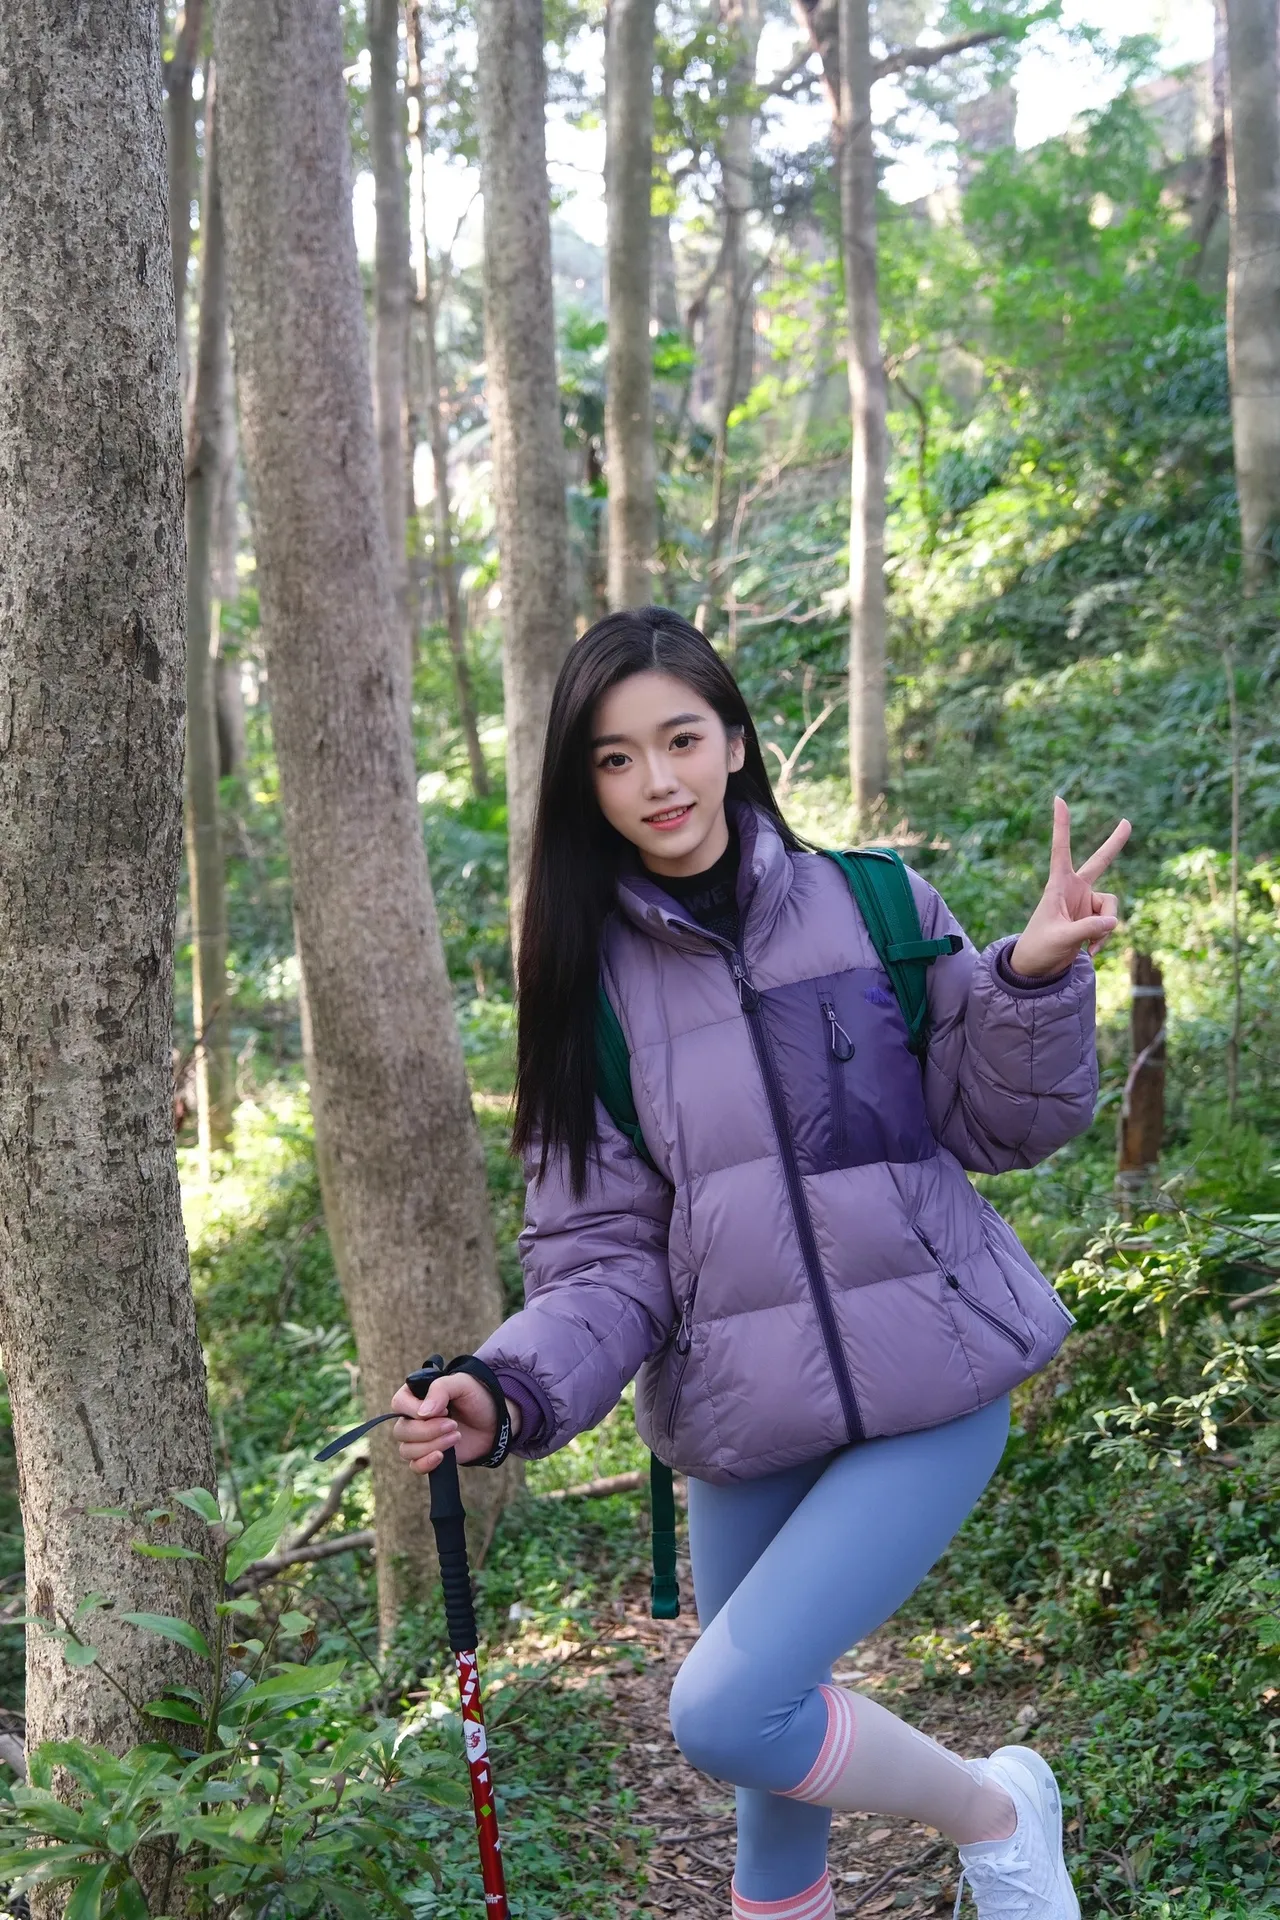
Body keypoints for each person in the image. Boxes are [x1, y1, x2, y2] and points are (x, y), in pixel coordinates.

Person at [391, 608, 1130, 1920]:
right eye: (615, 758)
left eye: (681, 739)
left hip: (938, 1379)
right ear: (584, 785)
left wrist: (1025, 978)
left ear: (735, 741)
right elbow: (603, 1257)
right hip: (743, 1417)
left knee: (731, 1712)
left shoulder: (875, 905)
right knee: (770, 1779)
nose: (657, 780)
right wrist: (508, 1387)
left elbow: (1001, 1128)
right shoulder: (586, 993)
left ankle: (998, 1812)